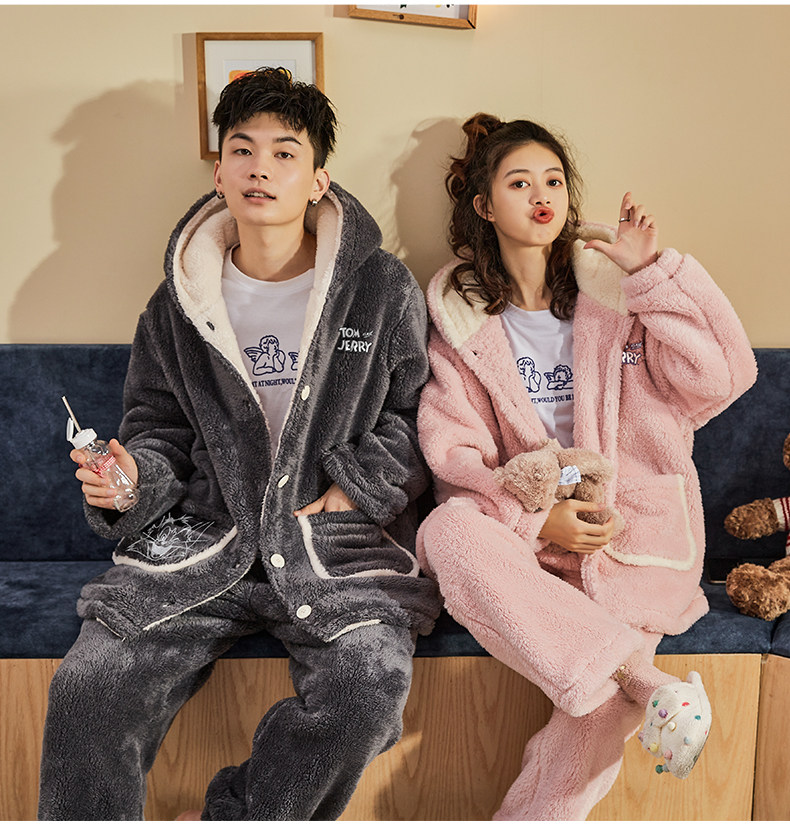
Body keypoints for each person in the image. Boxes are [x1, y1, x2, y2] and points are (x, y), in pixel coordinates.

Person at [39, 67, 439, 821]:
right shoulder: (176, 304)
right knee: (88, 688)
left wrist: (353, 490)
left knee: (366, 691)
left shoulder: (381, 291)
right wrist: (130, 480)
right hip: (203, 539)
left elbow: (416, 414)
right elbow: (157, 429)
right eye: (243, 150)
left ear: (318, 180)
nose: (261, 168)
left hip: (329, 544)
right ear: (219, 173)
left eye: (285, 153)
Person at [416, 113, 757, 820]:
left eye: (553, 180)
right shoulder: (461, 326)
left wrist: (651, 275)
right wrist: (541, 519)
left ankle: (624, 682)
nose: (541, 195)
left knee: (596, 711)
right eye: (519, 183)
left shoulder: (616, 301)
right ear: (484, 205)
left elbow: (722, 376)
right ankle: (646, 681)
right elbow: (454, 459)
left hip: (627, 538)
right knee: (446, 531)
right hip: (529, 546)